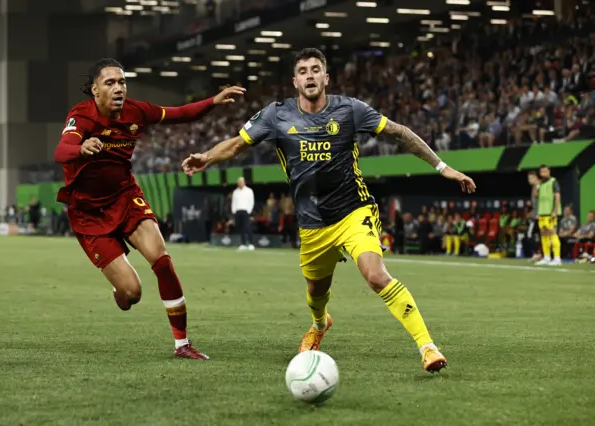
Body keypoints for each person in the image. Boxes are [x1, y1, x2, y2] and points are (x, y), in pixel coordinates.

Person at [182, 48, 476, 372]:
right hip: (312, 224)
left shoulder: (350, 110)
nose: (310, 75)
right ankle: (320, 325)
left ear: (326, 77)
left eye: (315, 69)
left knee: (376, 276)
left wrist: (441, 166)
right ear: (295, 81)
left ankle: (427, 347)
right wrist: (206, 157)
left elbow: (400, 133)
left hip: (353, 210)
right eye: (303, 71)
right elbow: (238, 143)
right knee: (316, 291)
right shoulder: (276, 115)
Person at [53, 58, 245, 360]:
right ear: (95, 90)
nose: (119, 88)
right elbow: (61, 151)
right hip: (88, 213)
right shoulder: (81, 116)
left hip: (125, 197)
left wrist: (213, 101)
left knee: (162, 258)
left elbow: (180, 114)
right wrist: (81, 148)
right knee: (133, 294)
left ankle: (182, 344)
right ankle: (120, 290)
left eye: (122, 82)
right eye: (110, 83)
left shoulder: (136, 111)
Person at [534, 165, 562, 265]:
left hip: (550, 213)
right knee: (544, 235)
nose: (543, 173)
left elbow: (557, 196)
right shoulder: (540, 184)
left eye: (545, 171)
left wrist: (554, 211)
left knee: (552, 234)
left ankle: (557, 258)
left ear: (549, 171)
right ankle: (546, 257)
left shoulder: (553, 181)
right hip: (542, 213)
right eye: (541, 172)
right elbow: (536, 196)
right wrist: (536, 185)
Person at [231, 177, 255, 251]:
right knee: (240, 228)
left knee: (247, 227)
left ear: (244, 182)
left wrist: (249, 210)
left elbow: (251, 201)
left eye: (241, 182)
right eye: (239, 182)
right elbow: (234, 202)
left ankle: (251, 244)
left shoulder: (249, 191)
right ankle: (243, 244)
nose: (240, 183)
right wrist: (234, 210)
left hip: (245, 211)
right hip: (238, 211)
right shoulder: (235, 192)